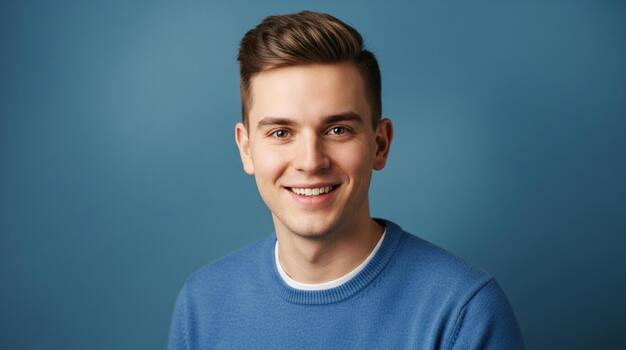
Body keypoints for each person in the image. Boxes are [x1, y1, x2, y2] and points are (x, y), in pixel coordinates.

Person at [168, 11, 525, 349]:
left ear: (380, 144)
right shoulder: (203, 304)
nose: (310, 161)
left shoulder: (463, 312)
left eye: (338, 130)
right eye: (280, 132)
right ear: (246, 149)